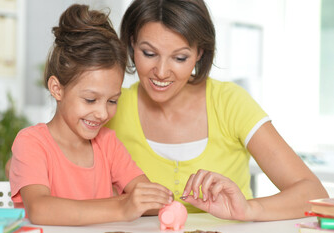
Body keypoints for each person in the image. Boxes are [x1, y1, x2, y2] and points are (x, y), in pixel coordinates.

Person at [105, 0, 328, 221]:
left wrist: (249, 209)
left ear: (200, 52)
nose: (162, 72)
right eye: (149, 53)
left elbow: (313, 194)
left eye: (180, 57)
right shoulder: (108, 107)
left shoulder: (230, 103)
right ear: (132, 44)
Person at [8, 4, 173, 226]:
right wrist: (121, 206)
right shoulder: (32, 143)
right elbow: (39, 209)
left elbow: (149, 200)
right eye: (90, 100)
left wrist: (158, 199)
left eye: (112, 100)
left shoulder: (108, 144)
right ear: (57, 88)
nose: (103, 113)